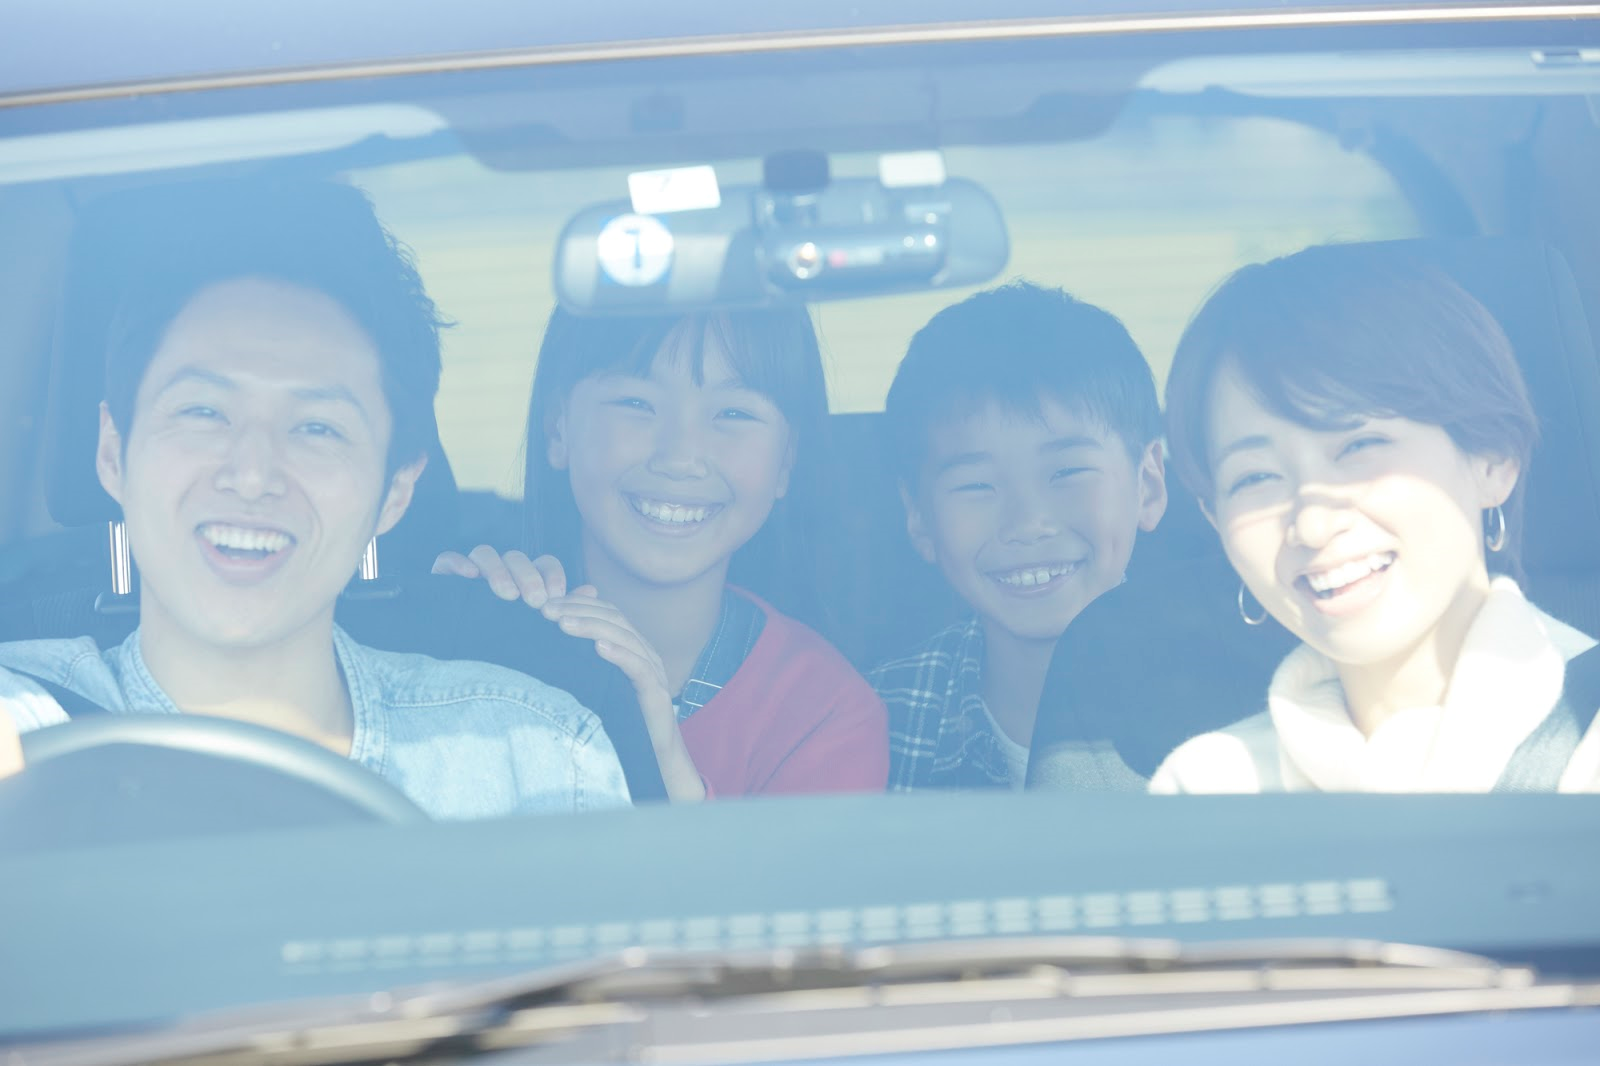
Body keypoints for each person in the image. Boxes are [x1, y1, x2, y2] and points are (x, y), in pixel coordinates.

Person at [0, 179, 631, 818]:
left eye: (317, 428)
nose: (252, 475)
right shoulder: (19, 720)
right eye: (203, 411)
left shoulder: (534, 763)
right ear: (113, 452)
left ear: (396, 491)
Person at [1151, 243, 1600, 793]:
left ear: (1492, 457)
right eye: (1255, 477)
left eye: (1360, 445)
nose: (1313, 526)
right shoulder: (1206, 789)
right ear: (1215, 519)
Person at [433, 308, 888, 800]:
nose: (680, 458)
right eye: (637, 403)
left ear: (787, 459)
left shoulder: (825, 714)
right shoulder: (475, 648)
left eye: (733, 414)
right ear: (558, 429)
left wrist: (659, 751)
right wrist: (434, 651)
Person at [868, 282, 1168, 791]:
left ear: (1148, 484)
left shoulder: (1236, 699)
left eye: (1067, 472)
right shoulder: (878, 722)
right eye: (976, 485)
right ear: (918, 516)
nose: (1028, 523)